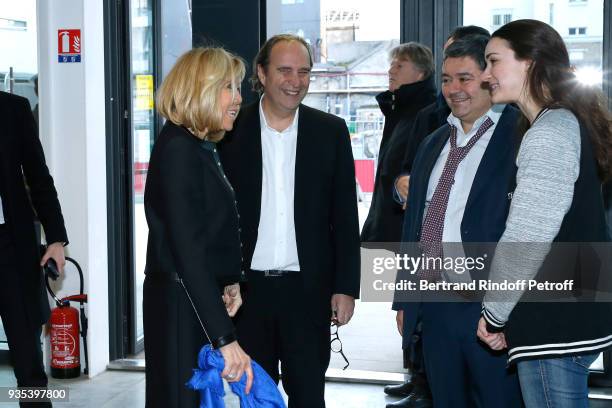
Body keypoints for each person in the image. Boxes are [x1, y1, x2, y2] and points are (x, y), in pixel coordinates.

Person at [219, 34, 361, 408]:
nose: (295, 81)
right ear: (261, 74)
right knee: (254, 396)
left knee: (309, 396)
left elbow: (345, 216)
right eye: (284, 70)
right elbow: (215, 218)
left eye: (304, 72)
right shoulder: (230, 132)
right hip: (247, 295)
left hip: (308, 294)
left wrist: (346, 287)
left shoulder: (330, 132)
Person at [478, 19, 612, 407]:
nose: (487, 74)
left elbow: (527, 235)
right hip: (566, 314)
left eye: (494, 61)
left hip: (555, 323)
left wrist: (494, 313)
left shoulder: (550, 130)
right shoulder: (559, 122)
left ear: (530, 62)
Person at [392, 34, 522, 408]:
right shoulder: (433, 142)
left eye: (464, 78)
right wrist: (406, 299)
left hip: (490, 309)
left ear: (489, 76)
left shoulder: (519, 138)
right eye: (447, 79)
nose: (453, 89)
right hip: (434, 307)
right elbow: (414, 225)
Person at [143, 47, 253, 408]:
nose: (237, 98)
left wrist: (229, 280)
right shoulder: (179, 149)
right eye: (227, 87)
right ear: (199, 89)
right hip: (179, 305)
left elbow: (206, 232)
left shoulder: (197, 144)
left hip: (188, 300)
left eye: (238, 87)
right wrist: (225, 338)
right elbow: (187, 250)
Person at [0, 90, 68, 407]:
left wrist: (56, 239)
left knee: (29, 367)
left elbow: (39, 177)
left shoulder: (13, 109)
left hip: (12, 248)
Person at [360, 42, 436, 244]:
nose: (390, 70)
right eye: (392, 64)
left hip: (402, 235)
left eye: (400, 65)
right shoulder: (399, 111)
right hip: (383, 229)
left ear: (421, 73)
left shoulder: (429, 115)